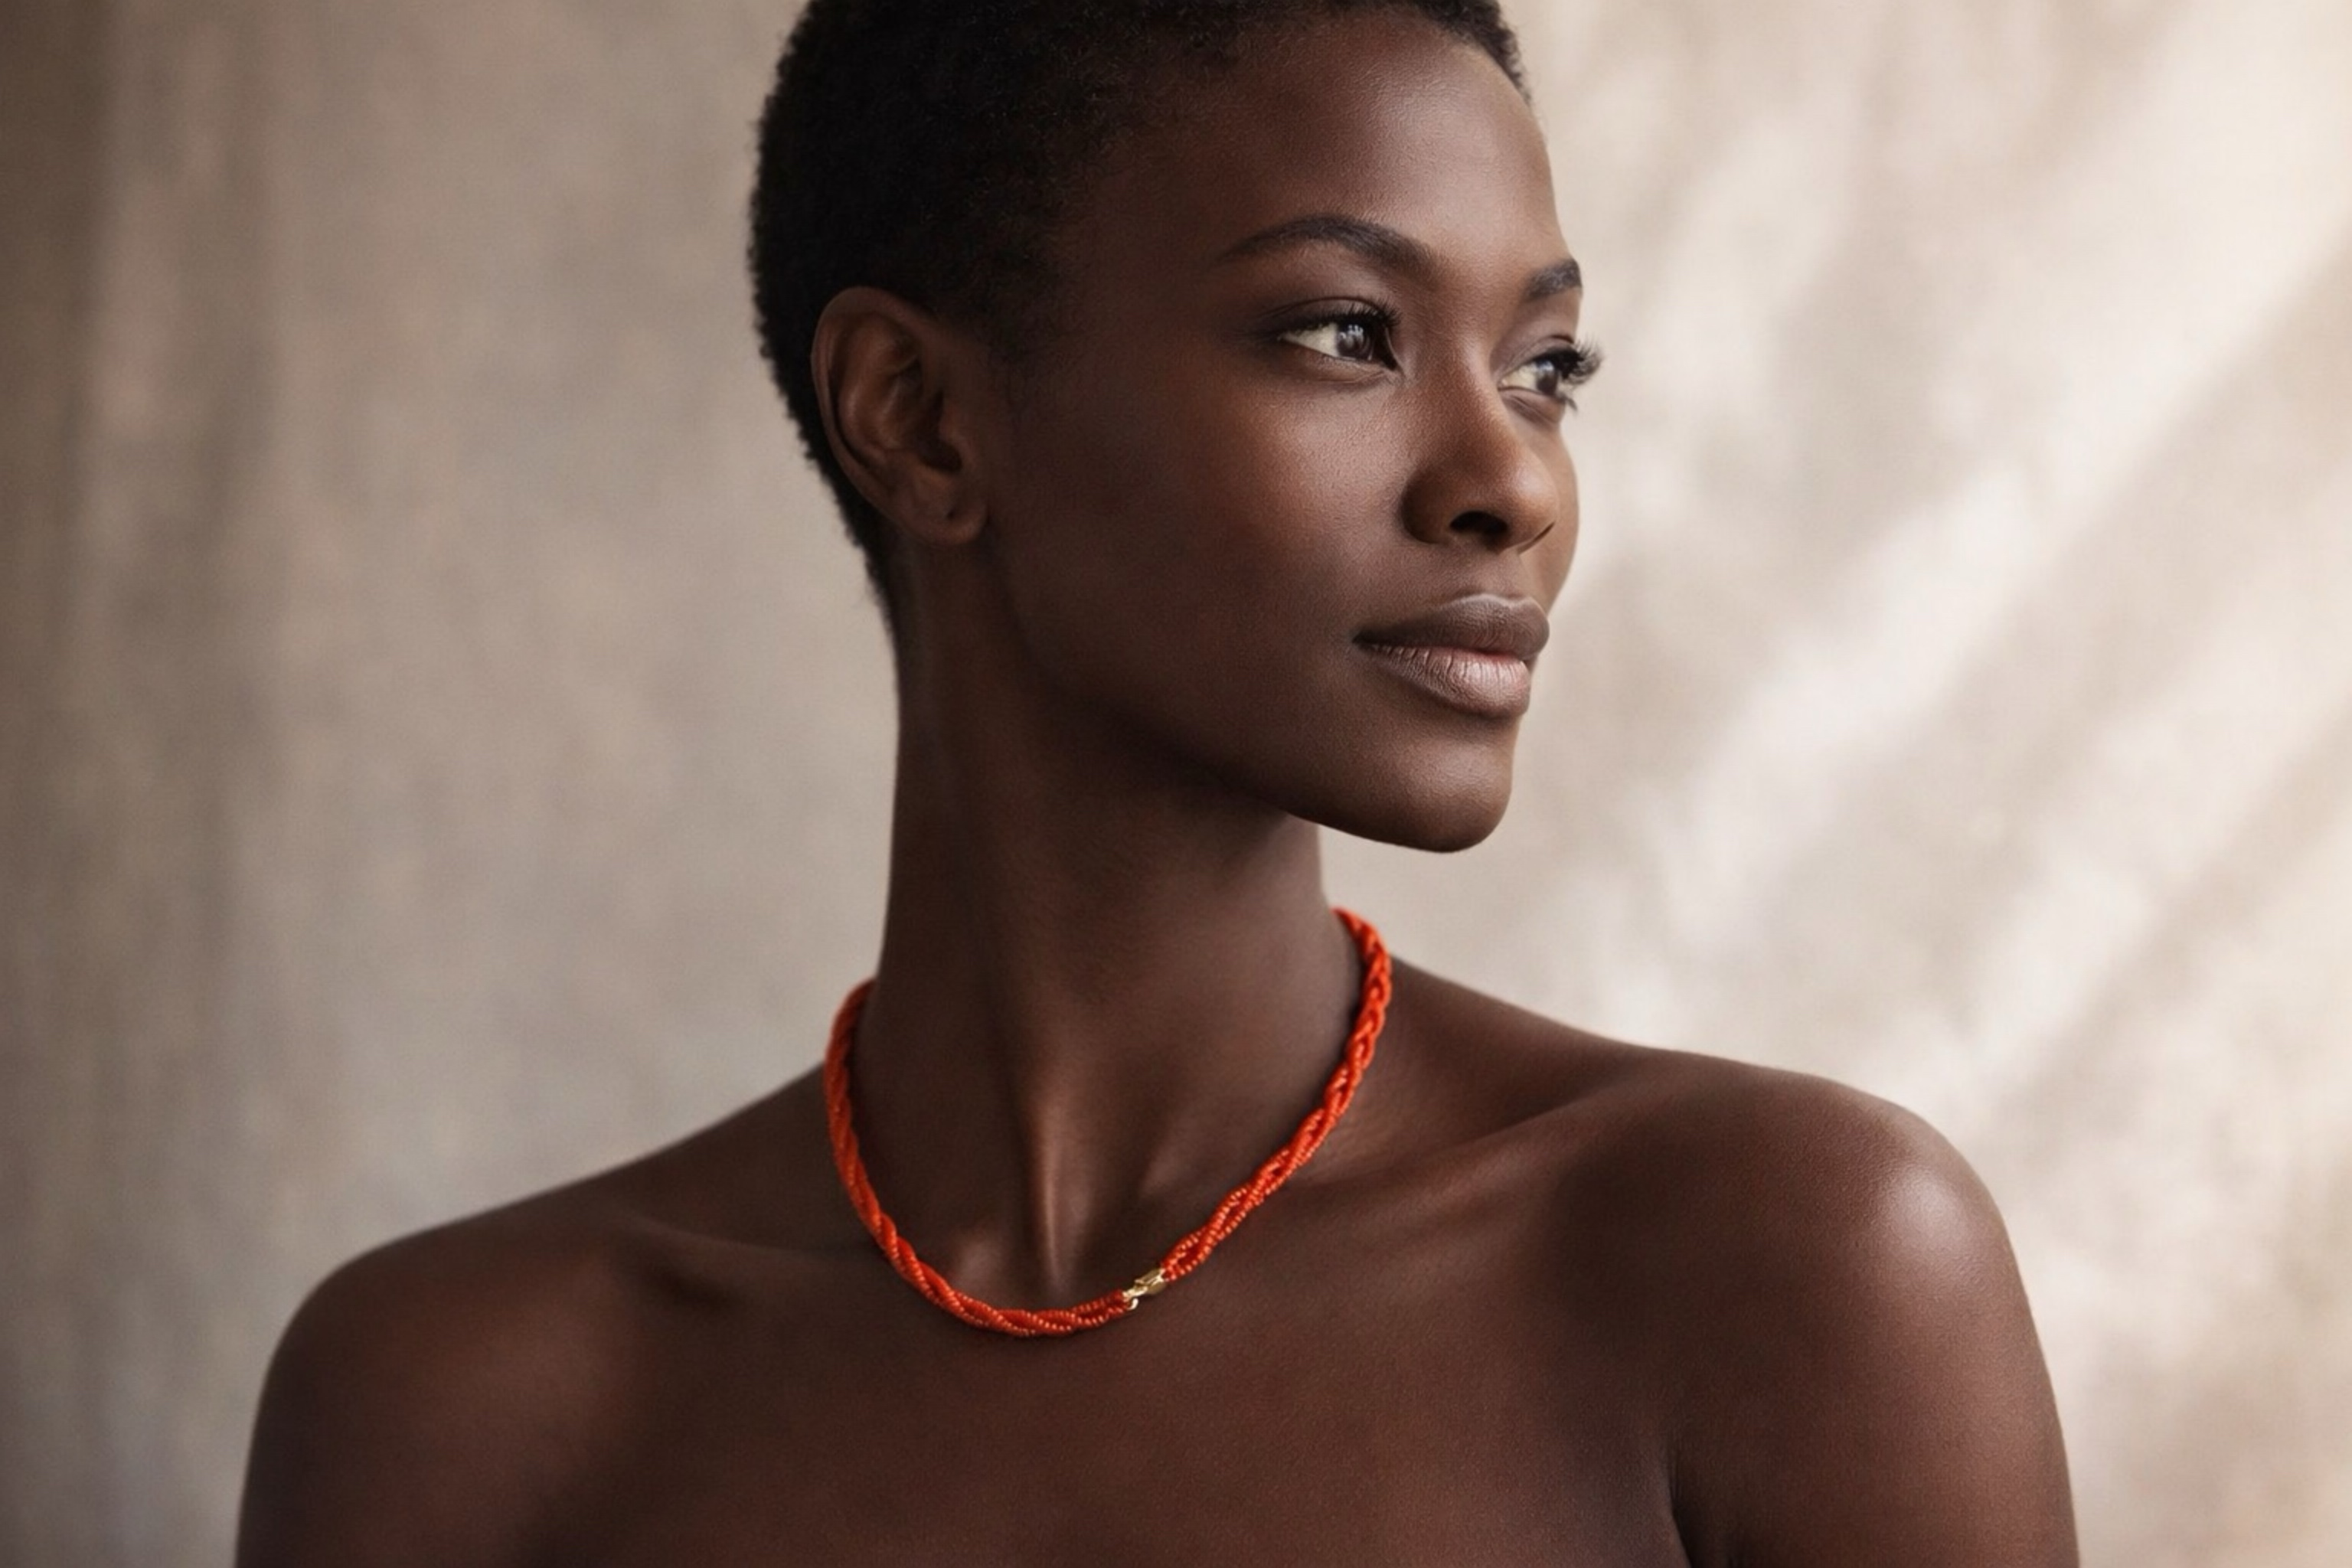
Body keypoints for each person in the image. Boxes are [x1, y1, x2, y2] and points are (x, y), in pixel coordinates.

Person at [237, 1, 2078, 1561]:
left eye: (1545, 365)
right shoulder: (457, 1408)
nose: (1510, 480)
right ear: (922, 416)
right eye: (1347, 330)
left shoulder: (1787, 1270)